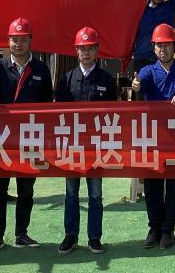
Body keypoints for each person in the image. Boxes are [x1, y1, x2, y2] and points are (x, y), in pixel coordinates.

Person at [0, 17, 53, 254]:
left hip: (29, 138)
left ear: (30, 40)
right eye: (14, 39)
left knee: (26, 190)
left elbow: (48, 106)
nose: (18, 44)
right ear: (8, 41)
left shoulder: (41, 69)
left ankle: (21, 234)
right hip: (3, 139)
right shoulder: (0, 66)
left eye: (22, 39)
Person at [131, 23, 175, 249]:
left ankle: (169, 229)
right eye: (159, 45)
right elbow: (139, 90)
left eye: (167, 45)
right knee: (153, 186)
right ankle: (154, 229)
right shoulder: (147, 72)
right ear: (153, 48)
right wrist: (136, 87)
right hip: (153, 139)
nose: (163, 49)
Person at [55, 26, 116, 255]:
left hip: (97, 147)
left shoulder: (106, 79)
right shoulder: (67, 79)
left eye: (90, 48)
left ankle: (94, 237)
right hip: (72, 147)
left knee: (96, 194)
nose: (86, 52)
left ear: (97, 50)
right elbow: (57, 115)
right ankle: (71, 236)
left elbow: (113, 115)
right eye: (82, 48)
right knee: (71, 193)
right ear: (76, 50)